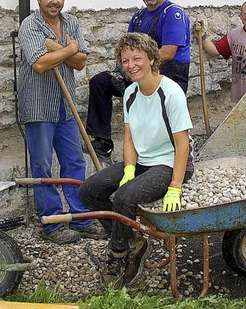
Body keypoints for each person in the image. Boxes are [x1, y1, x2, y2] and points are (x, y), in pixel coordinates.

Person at [79, 32, 194, 288]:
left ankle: (118, 255)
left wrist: (175, 186)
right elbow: (129, 137)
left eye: (137, 58)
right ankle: (130, 241)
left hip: (171, 162)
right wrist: (129, 169)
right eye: (125, 60)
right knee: (89, 190)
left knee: (125, 196)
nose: (131, 65)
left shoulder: (171, 92)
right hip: (143, 161)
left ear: (152, 59)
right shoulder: (130, 93)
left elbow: (182, 142)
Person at [18, 0, 107, 244]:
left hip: (65, 103)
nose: (55, 1)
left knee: (74, 160)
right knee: (43, 165)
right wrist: (70, 49)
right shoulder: (30, 25)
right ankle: (52, 223)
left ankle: (81, 217)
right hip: (38, 104)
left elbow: (80, 63)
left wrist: (59, 48)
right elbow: (40, 64)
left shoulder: (71, 22)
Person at [85, 0, 191, 158]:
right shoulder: (139, 17)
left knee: (154, 109)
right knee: (100, 82)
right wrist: (120, 72)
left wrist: (133, 69)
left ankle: (173, 149)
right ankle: (103, 142)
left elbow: (167, 52)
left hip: (169, 74)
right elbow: (127, 48)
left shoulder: (173, 14)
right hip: (140, 72)